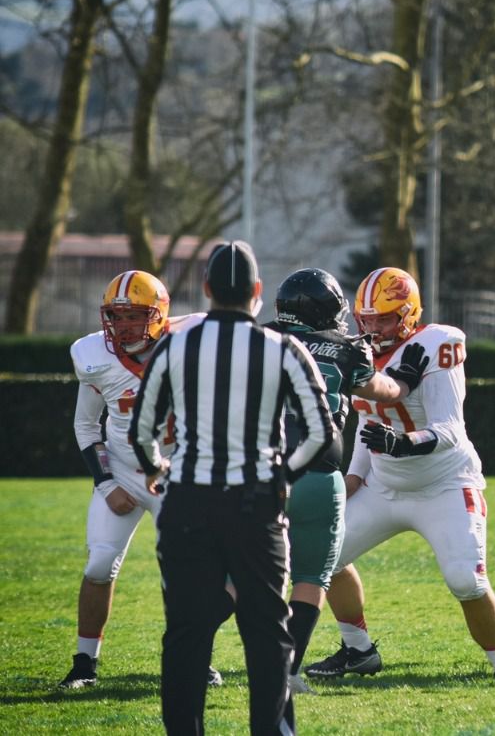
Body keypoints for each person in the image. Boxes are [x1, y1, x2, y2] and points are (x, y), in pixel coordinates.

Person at [129, 240, 336, 736]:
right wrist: (281, 475)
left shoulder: (174, 345)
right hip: (257, 505)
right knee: (267, 635)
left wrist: (158, 468)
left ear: (206, 290)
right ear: (257, 292)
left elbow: (141, 431)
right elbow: (321, 430)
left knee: (186, 635)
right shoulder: (283, 348)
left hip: (187, 503)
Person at [303, 267, 495, 693]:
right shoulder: (357, 350)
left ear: (409, 314)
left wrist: (401, 443)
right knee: (326, 557)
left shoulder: (436, 343)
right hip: (385, 485)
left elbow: (450, 430)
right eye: (368, 320)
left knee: (466, 580)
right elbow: (366, 423)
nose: (374, 329)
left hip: (445, 484)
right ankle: (359, 651)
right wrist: (356, 474)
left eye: (385, 319)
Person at [263, 268, 428, 696]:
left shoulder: (255, 339)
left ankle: (197, 657)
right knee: (312, 576)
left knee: (239, 574)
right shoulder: (345, 349)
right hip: (317, 473)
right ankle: (286, 671)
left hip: (256, 473)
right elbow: (385, 392)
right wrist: (405, 378)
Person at [59, 271, 221, 691]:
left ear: (158, 315)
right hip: (124, 474)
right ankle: (84, 663)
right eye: (116, 315)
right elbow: (86, 426)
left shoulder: (190, 342)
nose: (123, 325)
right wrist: (107, 484)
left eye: (134, 316)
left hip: (175, 476)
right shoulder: (94, 354)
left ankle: (195, 659)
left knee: (186, 573)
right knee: (98, 564)